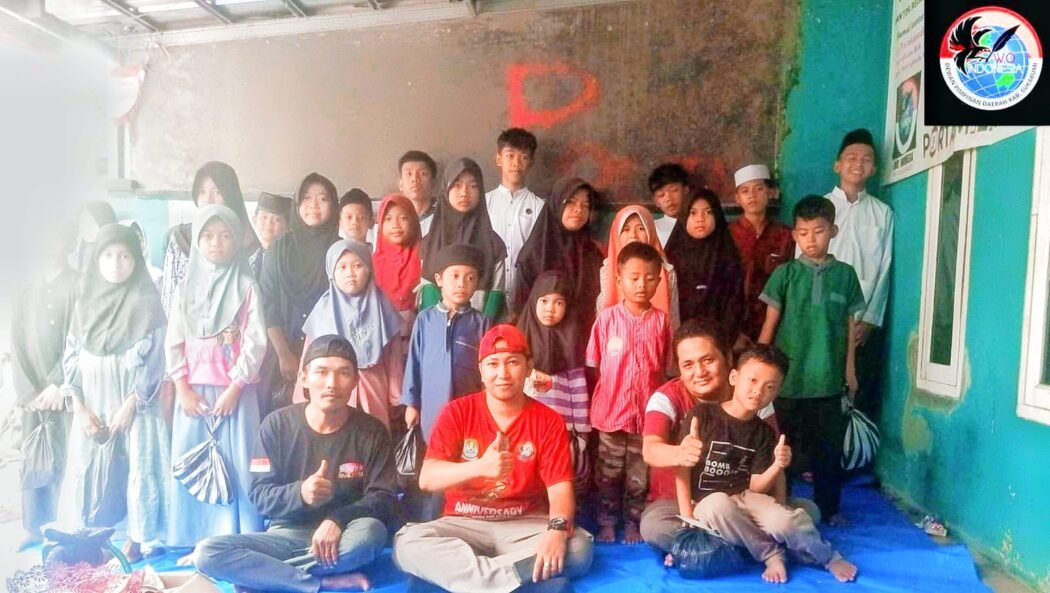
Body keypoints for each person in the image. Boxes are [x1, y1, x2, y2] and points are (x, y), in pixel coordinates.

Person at [393, 324, 594, 593]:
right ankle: (514, 580)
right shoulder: (456, 412)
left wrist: (557, 531)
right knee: (406, 543)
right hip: (463, 524)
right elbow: (428, 479)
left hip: (524, 525)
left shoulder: (549, 420)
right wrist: (480, 467)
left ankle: (466, 579)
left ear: (528, 366)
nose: (502, 374)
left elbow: (559, 491)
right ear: (481, 370)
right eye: (493, 364)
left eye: (512, 362)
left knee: (578, 548)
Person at [194, 335, 398, 593]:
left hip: (346, 533)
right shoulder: (276, 425)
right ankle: (317, 581)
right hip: (287, 534)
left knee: (370, 535)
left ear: (355, 381)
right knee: (207, 553)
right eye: (321, 372)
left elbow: (384, 497)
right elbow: (259, 495)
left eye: (343, 373)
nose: (331, 383)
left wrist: (338, 519)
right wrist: (300, 492)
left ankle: (262, 575)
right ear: (303, 378)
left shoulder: (372, 431)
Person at [675, 345, 858, 584]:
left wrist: (777, 465)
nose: (758, 391)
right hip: (707, 504)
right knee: (718, 505)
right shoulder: (702, 415)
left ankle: (828, 557)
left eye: (769, 387)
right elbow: (681, 469)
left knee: (785, 520)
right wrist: (687, 517)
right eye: (752, 380)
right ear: (734, 377)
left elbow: (756, 487)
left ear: (777, 392)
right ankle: (772, 553)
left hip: (746, 498)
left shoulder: (764, 433)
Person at [56, 224, 169, 563]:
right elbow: (71, 359)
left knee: (137, 467)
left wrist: (130, 404)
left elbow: (155, 362)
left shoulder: (148, 305)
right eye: (107, 255)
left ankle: (136, 537)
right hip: (92, 407)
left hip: (135, 410)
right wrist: (79, 407)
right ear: (96, 260)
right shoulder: (83, 307)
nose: (116, 263)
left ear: (136, 260)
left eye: (124, 256)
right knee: (89, 469)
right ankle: (91, 537)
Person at [165, 205, 267, 559]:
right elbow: (174, 341)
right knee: (192, 462)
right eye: (207, 236)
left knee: (238, 463)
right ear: (196, 241)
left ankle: (237, 539)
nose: (216, 243)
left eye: (225, 236)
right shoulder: (184, 289)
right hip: (194, 395)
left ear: (237, 240)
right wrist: (182, 388)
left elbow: (255, 342)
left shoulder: (246, 286)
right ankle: (196, 539)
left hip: (236, 394)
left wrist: (236, 387)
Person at [760, 195, 865, 526]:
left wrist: (850, 370)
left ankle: (830, 510)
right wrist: (757, 367)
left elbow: (850, 327)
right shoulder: (785, 274)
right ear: (794, 235)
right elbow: (769, 324)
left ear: (833, 230)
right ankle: (780, 505)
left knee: (828, 451)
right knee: (783, 449)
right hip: (788, 382)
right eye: (803, 233)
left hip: (828, 381)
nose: (811, 240)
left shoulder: (846, 275)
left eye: (818, 231)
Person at [586, 242, 672, 544]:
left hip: (646, 417)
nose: (641, 285)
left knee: (639, 475)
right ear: (619, 279)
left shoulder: (662, 322)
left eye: (649, 278)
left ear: (659, 281)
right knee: (607, 474)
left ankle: (634, 522)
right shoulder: (606, 320)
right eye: (634, 278)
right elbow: (594, 365)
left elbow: (666, 367)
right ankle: (607, 522)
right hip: (610, 413)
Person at [10, 219, 78, 550]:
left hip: (62, 390)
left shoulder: (78, 284)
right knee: (33, 456)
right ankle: (33, 528)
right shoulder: (26, 286)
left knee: (63, 456)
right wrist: (28, 391)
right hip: (33, 393)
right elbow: (17, 340)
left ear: (71, 242)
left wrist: (57, 383)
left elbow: (77, 338)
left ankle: (62, 529)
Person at [821, 128, 895, 424]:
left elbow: (884, 267)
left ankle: (854, 449)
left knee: (857, 393)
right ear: (837, 165)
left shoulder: (882, 213)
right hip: (823, 315)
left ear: (874, 168)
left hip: (862, 319)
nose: (858, 163)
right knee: (823, 389)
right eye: (851, 157)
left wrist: (869, 320)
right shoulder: (821, 208)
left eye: (866, 159)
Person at [299, 240, 405, 429]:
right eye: (342, 267)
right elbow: (309, 355)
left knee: (373, 434)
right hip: (331, 388)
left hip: (373, 387)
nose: (350, 273)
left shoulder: (382, 307)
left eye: (358, 265)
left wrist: (396, 396)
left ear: (369, 269)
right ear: (331, 272)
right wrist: (303, 394)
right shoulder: (323, 310)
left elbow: (394, 357)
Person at [260, 172, 340, 414]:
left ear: (334, 206)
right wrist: (284, 354)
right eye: (306, 198)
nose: (313, 206)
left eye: (322, 199)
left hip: (327, 356)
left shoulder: (339, 250)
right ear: (297, 204)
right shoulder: (278, 248)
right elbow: (267, 303)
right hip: (280, 353)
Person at [403, 244, 491, 439]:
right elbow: (414, 363)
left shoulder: (481, 322)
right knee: (433, 447)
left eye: (470, 278)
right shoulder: (425, 319)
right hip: (431, 406)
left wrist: (488, 403)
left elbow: (487, 367)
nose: (462, 284)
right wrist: (412, 404)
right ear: (439, 279)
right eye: (455, 276)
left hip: (469, 405)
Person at [518, 271, 591, 499]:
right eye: (544, 301)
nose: (550, 308)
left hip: (562, 432)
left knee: (559, 480)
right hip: (526, 429)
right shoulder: (520, 343)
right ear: (533, 302)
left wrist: (581, 433)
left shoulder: (573, 342)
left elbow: (579, 391)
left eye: (558, 303)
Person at [161, 161, 257, 314]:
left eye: (217, 192)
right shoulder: (180, 239)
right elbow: (168, 301)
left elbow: (252, 308)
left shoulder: (250, 246)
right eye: (202, 191)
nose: (208, 199)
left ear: (230, 196)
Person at [419, 158, 507, 320]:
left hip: (482, 329)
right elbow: (428, 290)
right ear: (446, 189)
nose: (464, 193)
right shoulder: (429, 243)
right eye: (457, 185)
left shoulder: (494, 244)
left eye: (473, 186)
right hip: (439, 328)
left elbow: (497, 293)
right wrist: (440, 323)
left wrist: (481, 326)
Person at [513, 177, 603, 332]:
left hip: (583, 338)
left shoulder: (593, 254)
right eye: (571, 202)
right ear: (556, 204)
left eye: (585, 205)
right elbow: (523, 310)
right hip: (540, 339)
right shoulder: (532, 255)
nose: (578, 209)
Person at [664, 188, 745, 342]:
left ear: (717, 216)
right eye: (693, 213)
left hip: (720, 340)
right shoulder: (671, 258)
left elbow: (735, 304)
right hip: (679, 340)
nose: (700, 219)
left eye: (708, 212)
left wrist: (722, 340)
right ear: (684, 217)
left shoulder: (728, 257)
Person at [729, 164, 794, 342]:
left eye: (759, 189)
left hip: (775, 323)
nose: (752, 195)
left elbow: (789, 284)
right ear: (737, 198)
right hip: (735, 324)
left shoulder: (785, 235)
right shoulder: (727, 234)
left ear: (770, 193)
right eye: (745, 191)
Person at [485, 128, 543, 316]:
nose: (516, 163)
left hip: (527, 297)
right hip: (489, 297)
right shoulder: (484, 204)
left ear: (531, 162)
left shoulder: (540, 207)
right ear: (498, 159)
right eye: (510, 156)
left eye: (523, 157)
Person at [597, 205, 679, 329]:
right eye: (626, 229)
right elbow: (600, 314)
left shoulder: (667, 271)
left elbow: (673, 319)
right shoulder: (607, 270)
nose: (633, 235)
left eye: (641, 228)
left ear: (651, 231)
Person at [248, 191, 292, 280]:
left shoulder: (290, 259)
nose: (269, 223)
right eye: (264, 217)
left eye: (277, 220)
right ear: (254, 220)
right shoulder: (250, 257)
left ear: (287, 226)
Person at [647, 163, 691, 247]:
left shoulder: (699, 223)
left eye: (674, 190)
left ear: (686, 190)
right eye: (661, 195)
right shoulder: (652, 230)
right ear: (656, 201)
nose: (669, 198)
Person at [398, 150, 439, 237]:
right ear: (400, 184)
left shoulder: (442, 219)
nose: (415, 179)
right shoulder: (391, 221)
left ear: (433, 183)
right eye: (409, 174)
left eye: (422, 173)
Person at [68, 201, 117, 272]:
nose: (86, 227)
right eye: (82, 222)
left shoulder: (117, 251)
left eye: (92, 222)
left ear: (105, 221)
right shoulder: (76, 251)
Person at [120, 220, 164, 288]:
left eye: (139, 239)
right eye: (131, 240)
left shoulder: (156, 277)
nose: (136, 244)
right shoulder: (113, 277)